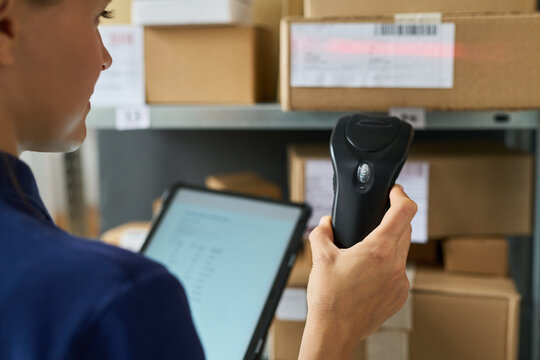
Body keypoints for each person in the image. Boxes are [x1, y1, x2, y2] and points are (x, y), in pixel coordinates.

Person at [0, 0, 418, 358]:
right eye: (97, 17)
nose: (106, 57)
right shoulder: (118, 301)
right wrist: (335, 325)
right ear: (7, 25)